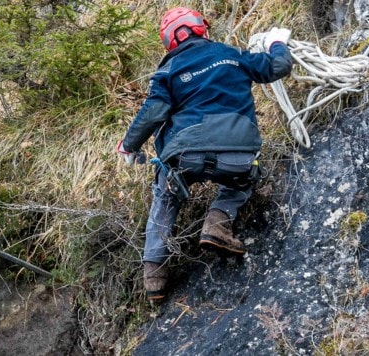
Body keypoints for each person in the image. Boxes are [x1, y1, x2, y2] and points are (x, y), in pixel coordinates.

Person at [116, 7, 293, 301]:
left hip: (186, 157)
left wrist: (129, 145)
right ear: (201, 29)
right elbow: (278, 67)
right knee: (243, 180)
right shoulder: (233, 55)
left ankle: (154, 276)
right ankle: (217, 222)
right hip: (237, 155)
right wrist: (276, 43)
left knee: (165, 193)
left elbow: (154, 112)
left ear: (169, 41)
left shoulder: (167, 71)